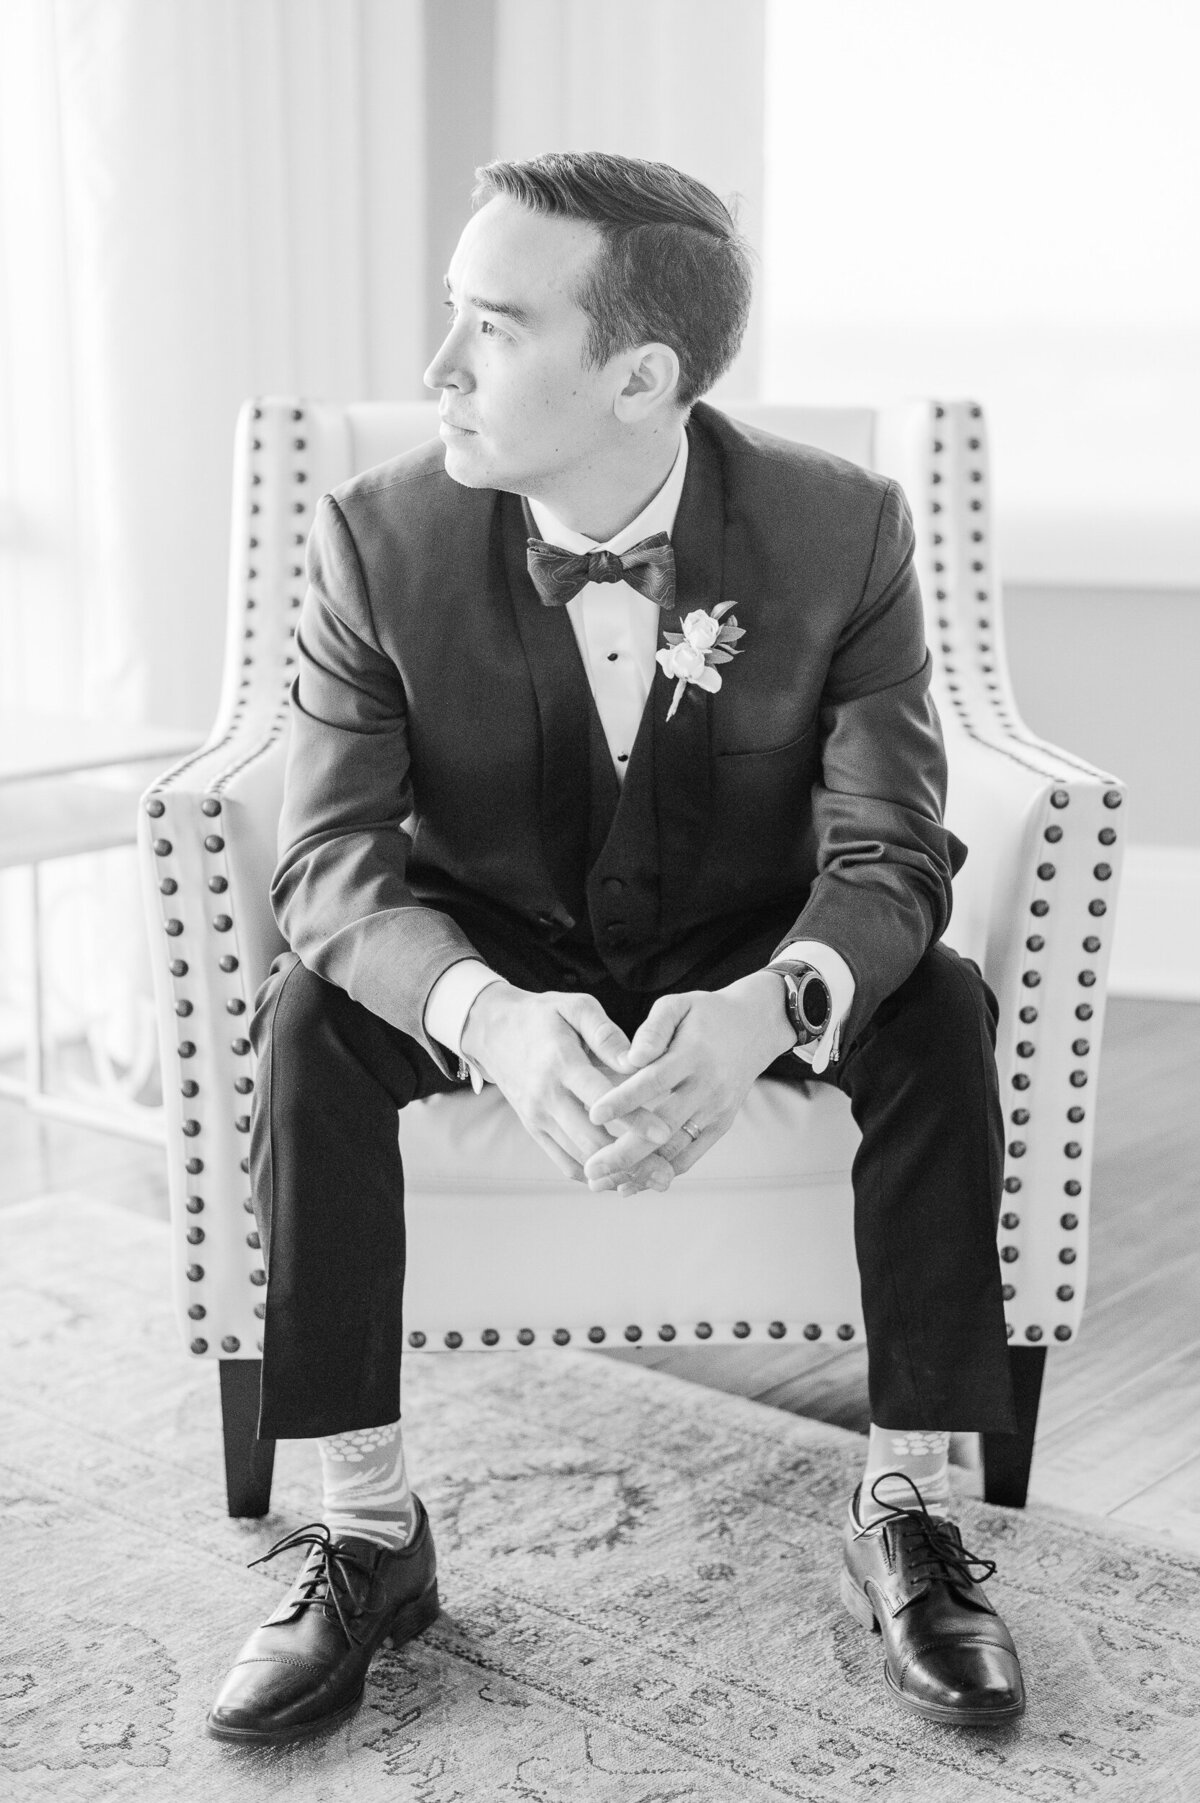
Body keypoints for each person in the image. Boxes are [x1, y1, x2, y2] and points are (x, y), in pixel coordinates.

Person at [206, 151, 1024, 1745]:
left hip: (741, 936)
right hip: (487, 944)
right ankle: (369, 1533)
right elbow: (329, 858)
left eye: (493, 329)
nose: (439, 368)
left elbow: (890, 847)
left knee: (934, 1000)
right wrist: (490, 1018)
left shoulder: (840, 527)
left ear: (641, 375)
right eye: (452, 316)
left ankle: (908, 1505)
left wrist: (771, 1011)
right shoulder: (377, 538)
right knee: (309, 1018)